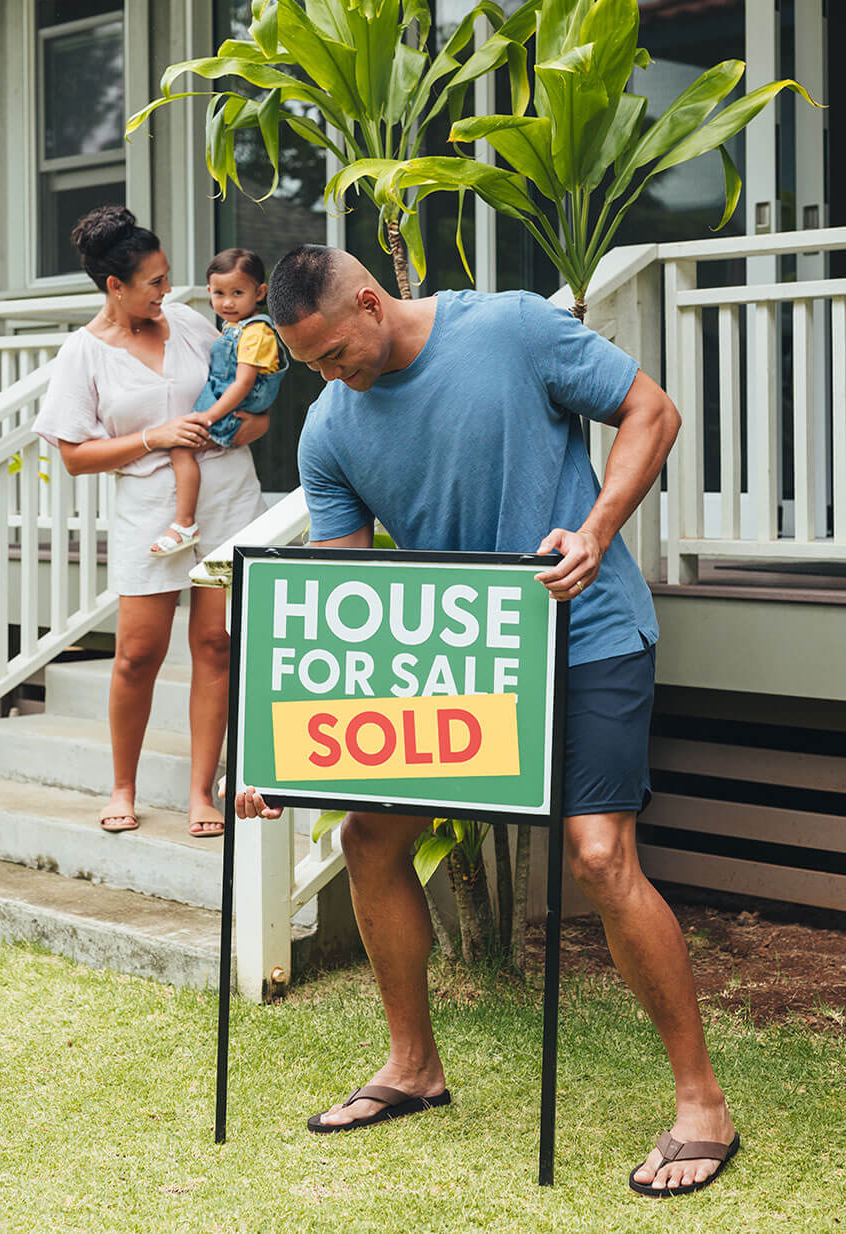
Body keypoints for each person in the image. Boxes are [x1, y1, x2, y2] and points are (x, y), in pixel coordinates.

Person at [232, 245, 739, 1197]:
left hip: (585, 632)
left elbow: (652, 412)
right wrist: (281, 753)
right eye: (312, 369)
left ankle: (702, 1102)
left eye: (337, 354)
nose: (331, 379)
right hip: (458, 660)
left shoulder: (509, 327)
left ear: (372, 303)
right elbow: (353, 604)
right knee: (370, 833)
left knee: (598, 855)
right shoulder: (330, 431)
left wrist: (593, 533)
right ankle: (414, 1067)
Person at [33, 206, 267, 837]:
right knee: (138, 654)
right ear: (116, 286)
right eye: (155, 282)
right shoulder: (83, 354)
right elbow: (76, 456)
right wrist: (154, 436)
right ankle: (123, 785)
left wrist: (255, 425)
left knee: (216, 646)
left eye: (167, 278)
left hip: (225, 502)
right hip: (150, 513)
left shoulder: (189, 323)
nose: (169, 291)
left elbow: (247, 390)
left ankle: (199, 793)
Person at [150, 248, 287, 558]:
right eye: (220, 293)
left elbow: (243, 383)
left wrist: (209, 417)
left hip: (229, 411)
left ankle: (184, 523)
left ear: (260, 292)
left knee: (181, 447)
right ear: (209, 291)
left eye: (238, 293)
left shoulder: (255, 332)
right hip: (223, 406)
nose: (227, 302)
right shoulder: (234, 327)